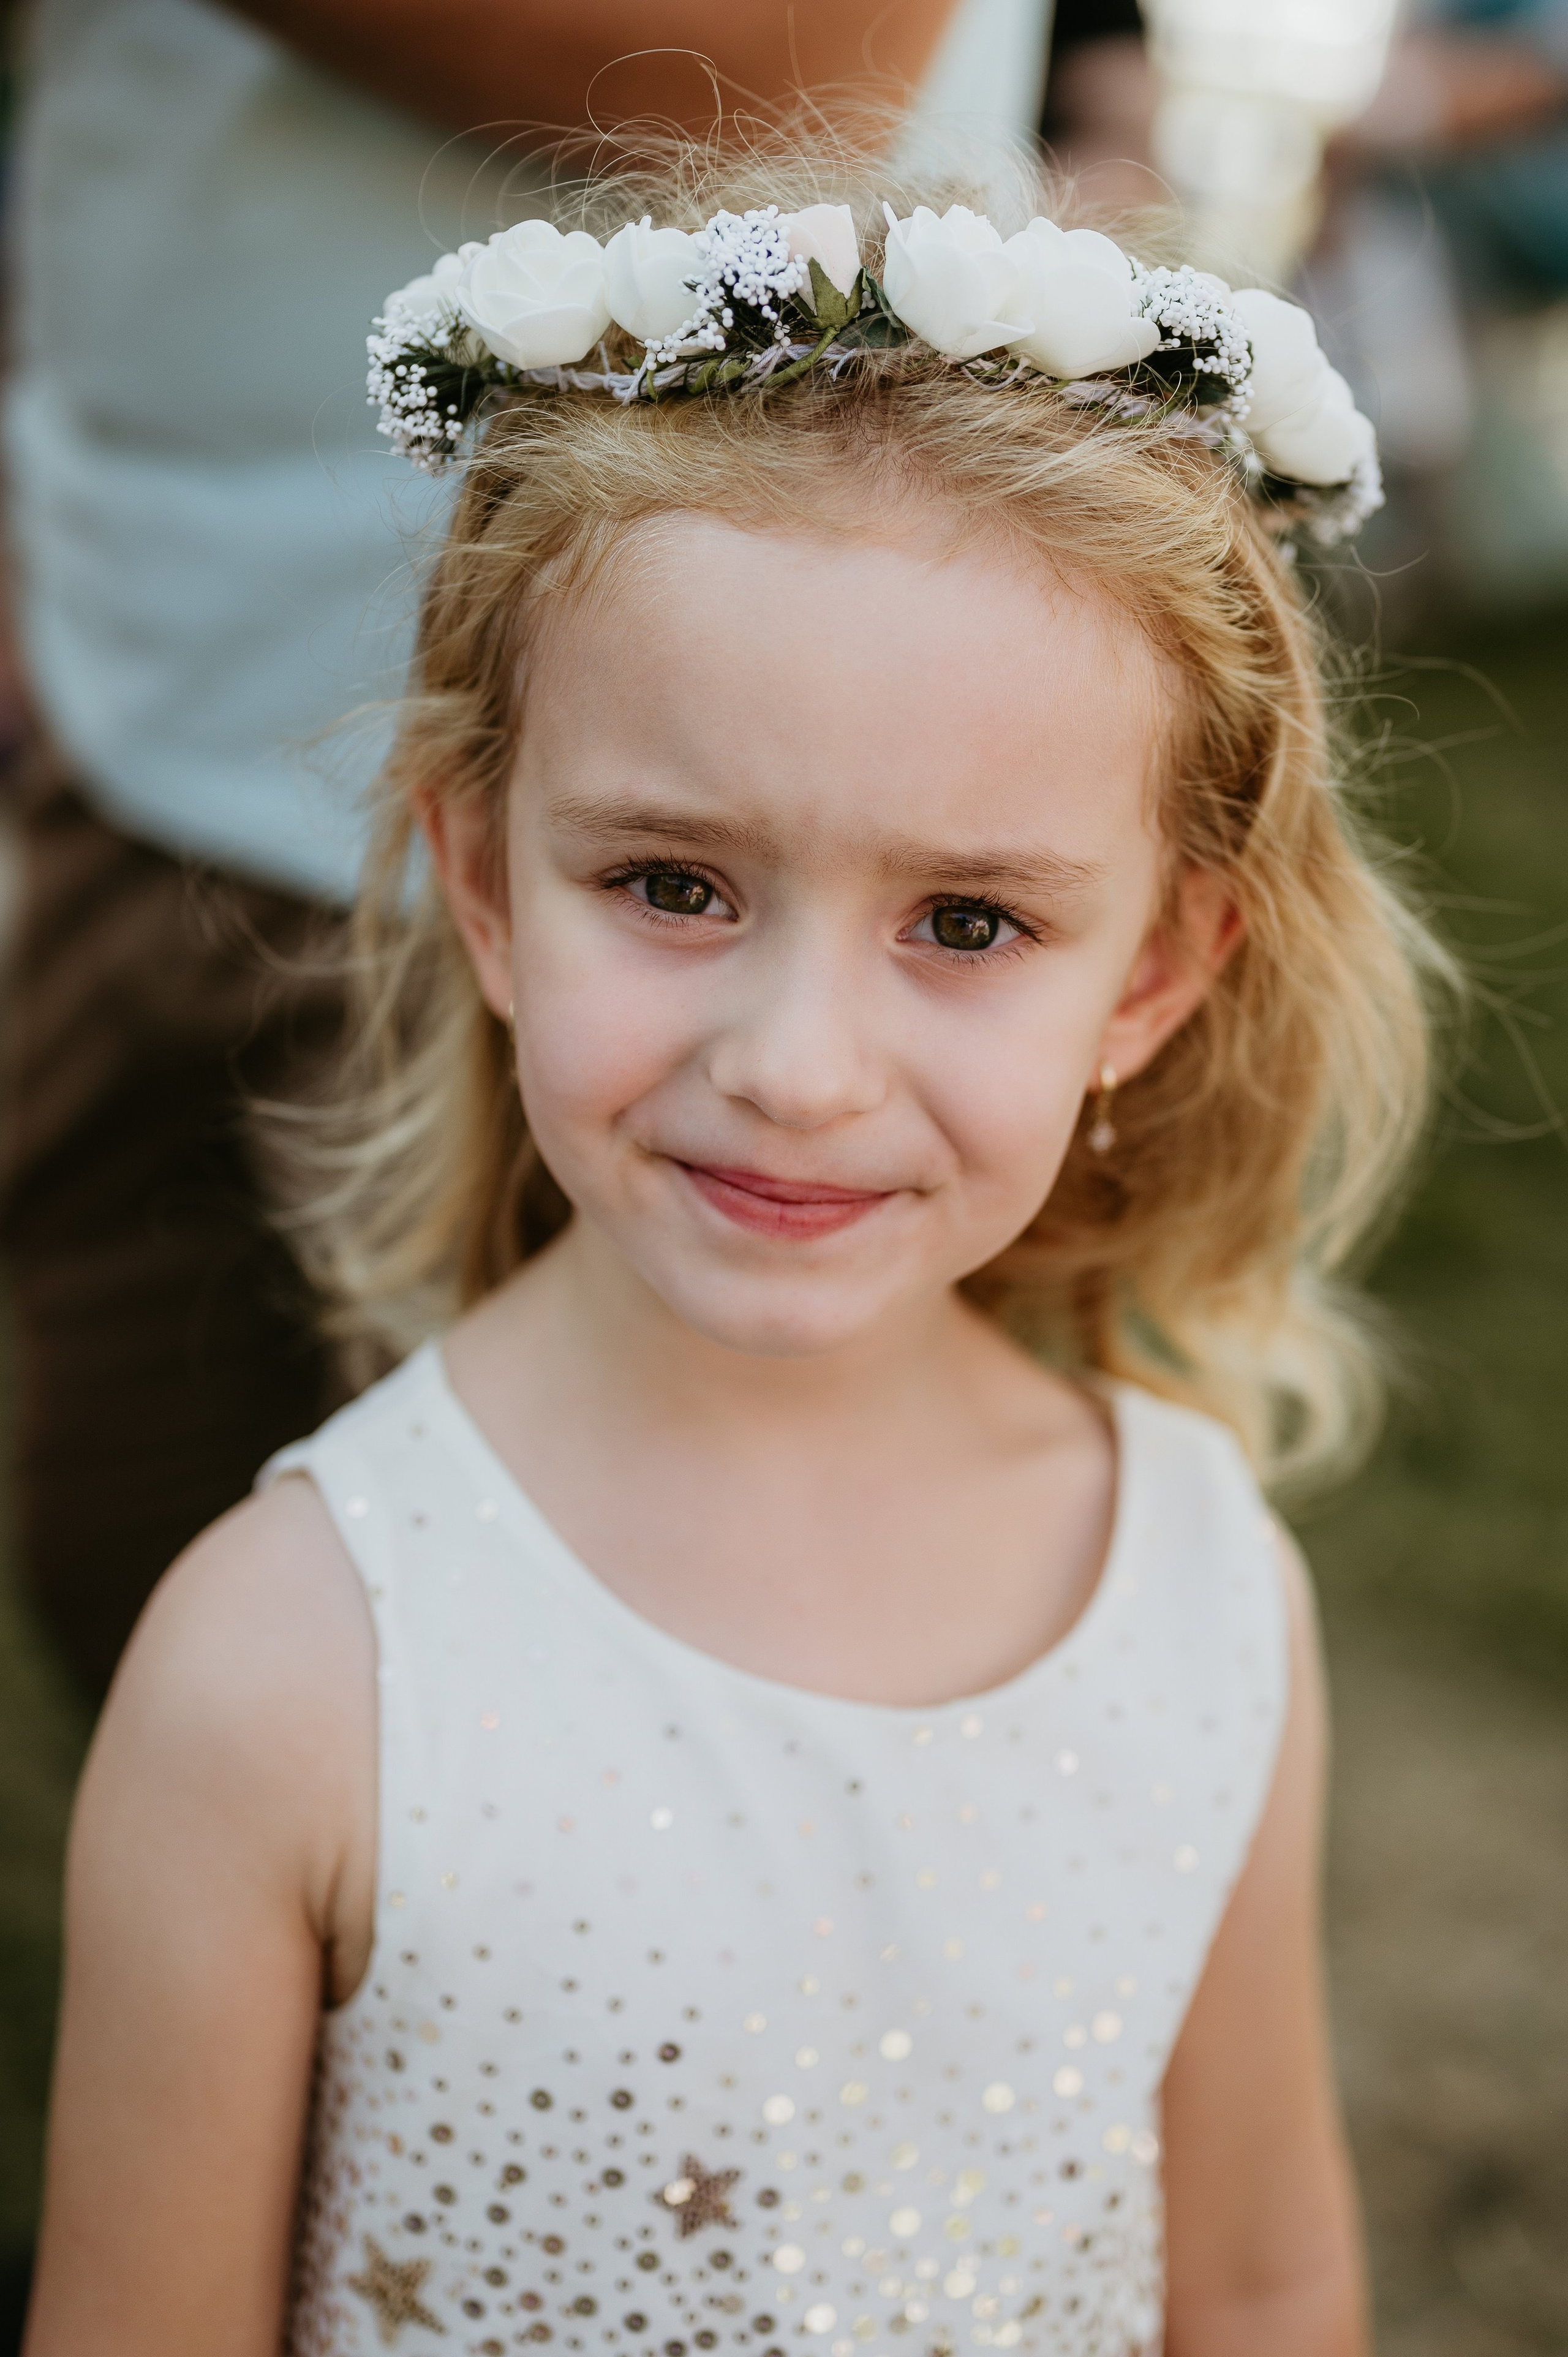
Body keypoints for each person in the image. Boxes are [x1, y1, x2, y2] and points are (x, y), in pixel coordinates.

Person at [21, 131, 1434, 2355]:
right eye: (673, 884)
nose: (795, 1063)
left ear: (1152, 982)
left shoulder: (1194, 1585)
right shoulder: (289, 1674)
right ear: (481, 882)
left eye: (968, 922)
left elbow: (1260, 2274)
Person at [0, 0, 1054, 1697]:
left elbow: (790, 64)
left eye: (975, 927)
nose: (802, 1075)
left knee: (638, 1679)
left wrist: (674, 888)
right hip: (149, 662)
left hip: (712, 713)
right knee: (158, 1578)